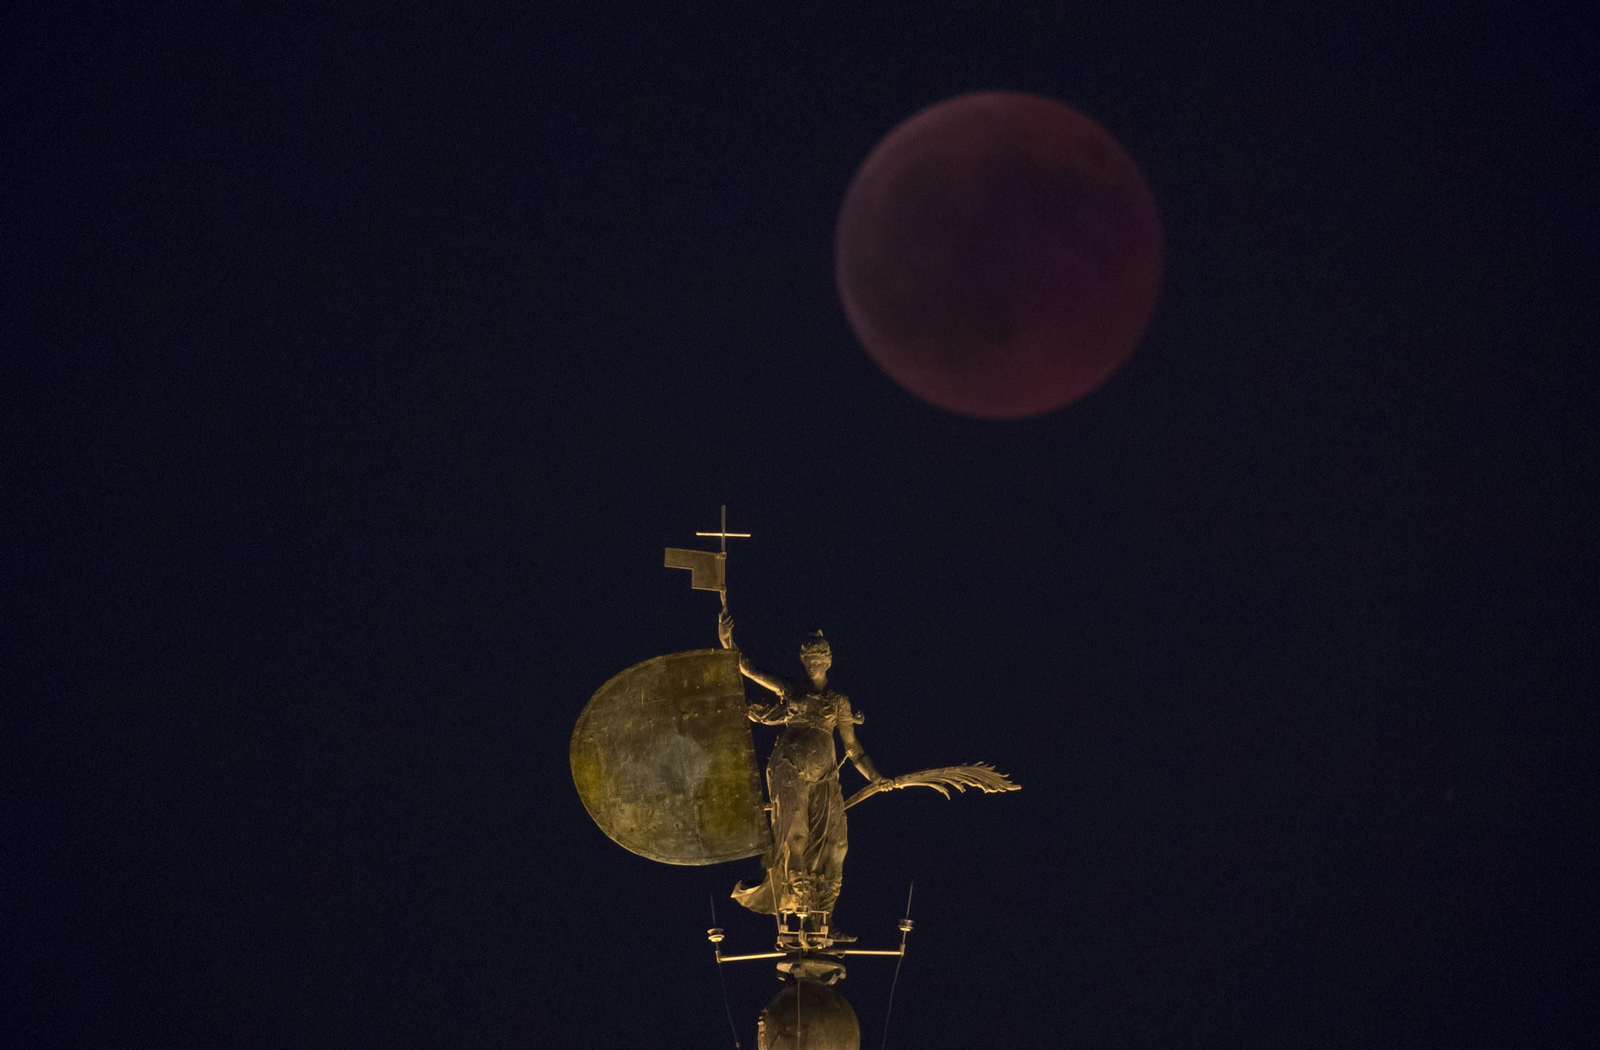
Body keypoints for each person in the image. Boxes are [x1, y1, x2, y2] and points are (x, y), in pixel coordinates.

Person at [718, 609, 884, 918]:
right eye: (809, 660)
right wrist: (727, 640)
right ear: (803, 661)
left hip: (826, 777)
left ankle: (825, 919)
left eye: (820, 660)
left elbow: (854, 749)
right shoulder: (792, 690)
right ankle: (801, 906)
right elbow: (748, 669)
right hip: (789, 769)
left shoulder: (839, 702)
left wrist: (876, 777)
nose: (814, 665)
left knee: (838, 845)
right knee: (796, 837)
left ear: (829, 661)